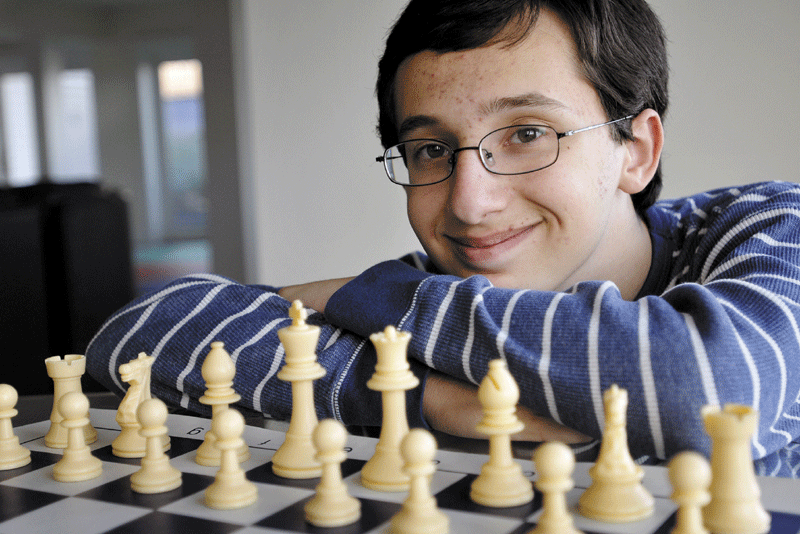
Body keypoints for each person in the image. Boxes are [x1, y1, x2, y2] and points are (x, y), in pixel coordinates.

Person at [85, 0, 800, 477]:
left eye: (526, 134)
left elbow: (702, 388)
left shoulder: (771, 225)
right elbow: (133, 336)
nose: (469, 202)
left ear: (635, 150)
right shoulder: (431, 305)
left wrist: (363, 292)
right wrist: (418, 395)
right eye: (430, 149)